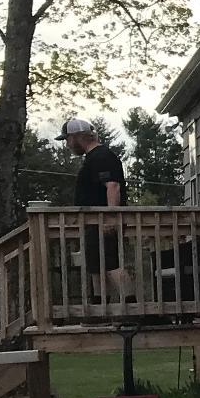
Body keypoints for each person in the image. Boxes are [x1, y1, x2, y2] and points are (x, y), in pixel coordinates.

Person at [61, 117, 131, 301]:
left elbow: (113, 186)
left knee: (112, 265)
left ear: (77, 137)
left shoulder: (102, 156)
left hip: (103, 222)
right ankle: (100, 309)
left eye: (68, 139)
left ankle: (134, 308)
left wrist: (110, 217)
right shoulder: (92, 158)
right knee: (96, 266)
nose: (67, 144)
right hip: (93, 222)